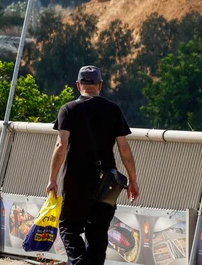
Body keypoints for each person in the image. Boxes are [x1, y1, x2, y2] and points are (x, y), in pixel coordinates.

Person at [46, 65, 139, 265]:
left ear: (78, 85)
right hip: (107, 183)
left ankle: (78, 262)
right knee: (98, 232)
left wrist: (52, 179)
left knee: (69, 227)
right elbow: (124, 149)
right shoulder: (113, 110)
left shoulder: (68, 110)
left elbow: (61, 145)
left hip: (75, 182)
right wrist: (132, 180)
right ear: (100, 85)